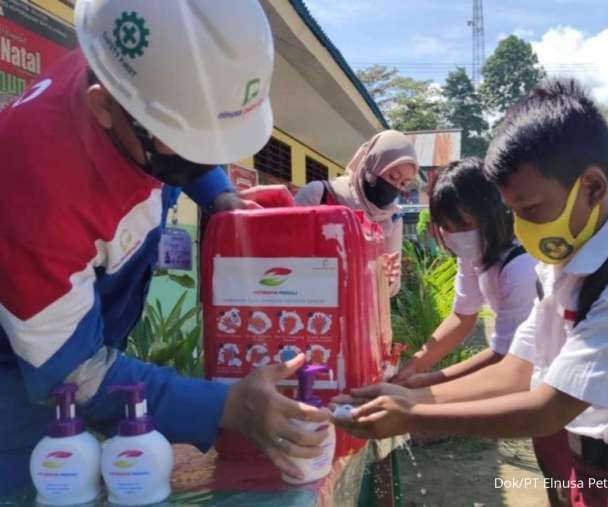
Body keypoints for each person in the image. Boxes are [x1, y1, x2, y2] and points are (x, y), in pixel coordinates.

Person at [0, 1, 329, 496]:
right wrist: (226, 406)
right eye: (193, 142)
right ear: (103, 107)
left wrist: (219, 194)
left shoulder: (136, 75)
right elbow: (72, 372)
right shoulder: (35, 189)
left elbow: (186, 135)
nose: (211, 156)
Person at [334, 79, 608, 506]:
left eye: (530, 209)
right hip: (595, 469)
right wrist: (407, 394)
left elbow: (548, 407)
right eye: (513, 212)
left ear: (592, 187)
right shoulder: (560, 269)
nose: (521, 227)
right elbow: (516, 369)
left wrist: (414, 413)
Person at [392, 158, 537, 388]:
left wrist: (423, 385)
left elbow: (504, 357)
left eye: (465, 225)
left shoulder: (521, 268)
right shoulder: (475, 253)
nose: (456, 235)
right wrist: (414, 365)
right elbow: (462, 317)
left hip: (541, 375)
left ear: (493, 213)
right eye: (447, 227)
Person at [294, 130, 419, 295]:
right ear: (373, 163)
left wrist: (387, 278)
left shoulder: (392, 218)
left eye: (403, 183)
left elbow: (392, 287)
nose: (396, 187)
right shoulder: (318, 195)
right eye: (392, 176)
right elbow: (287, 253)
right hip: (310, 304)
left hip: (357, 313)